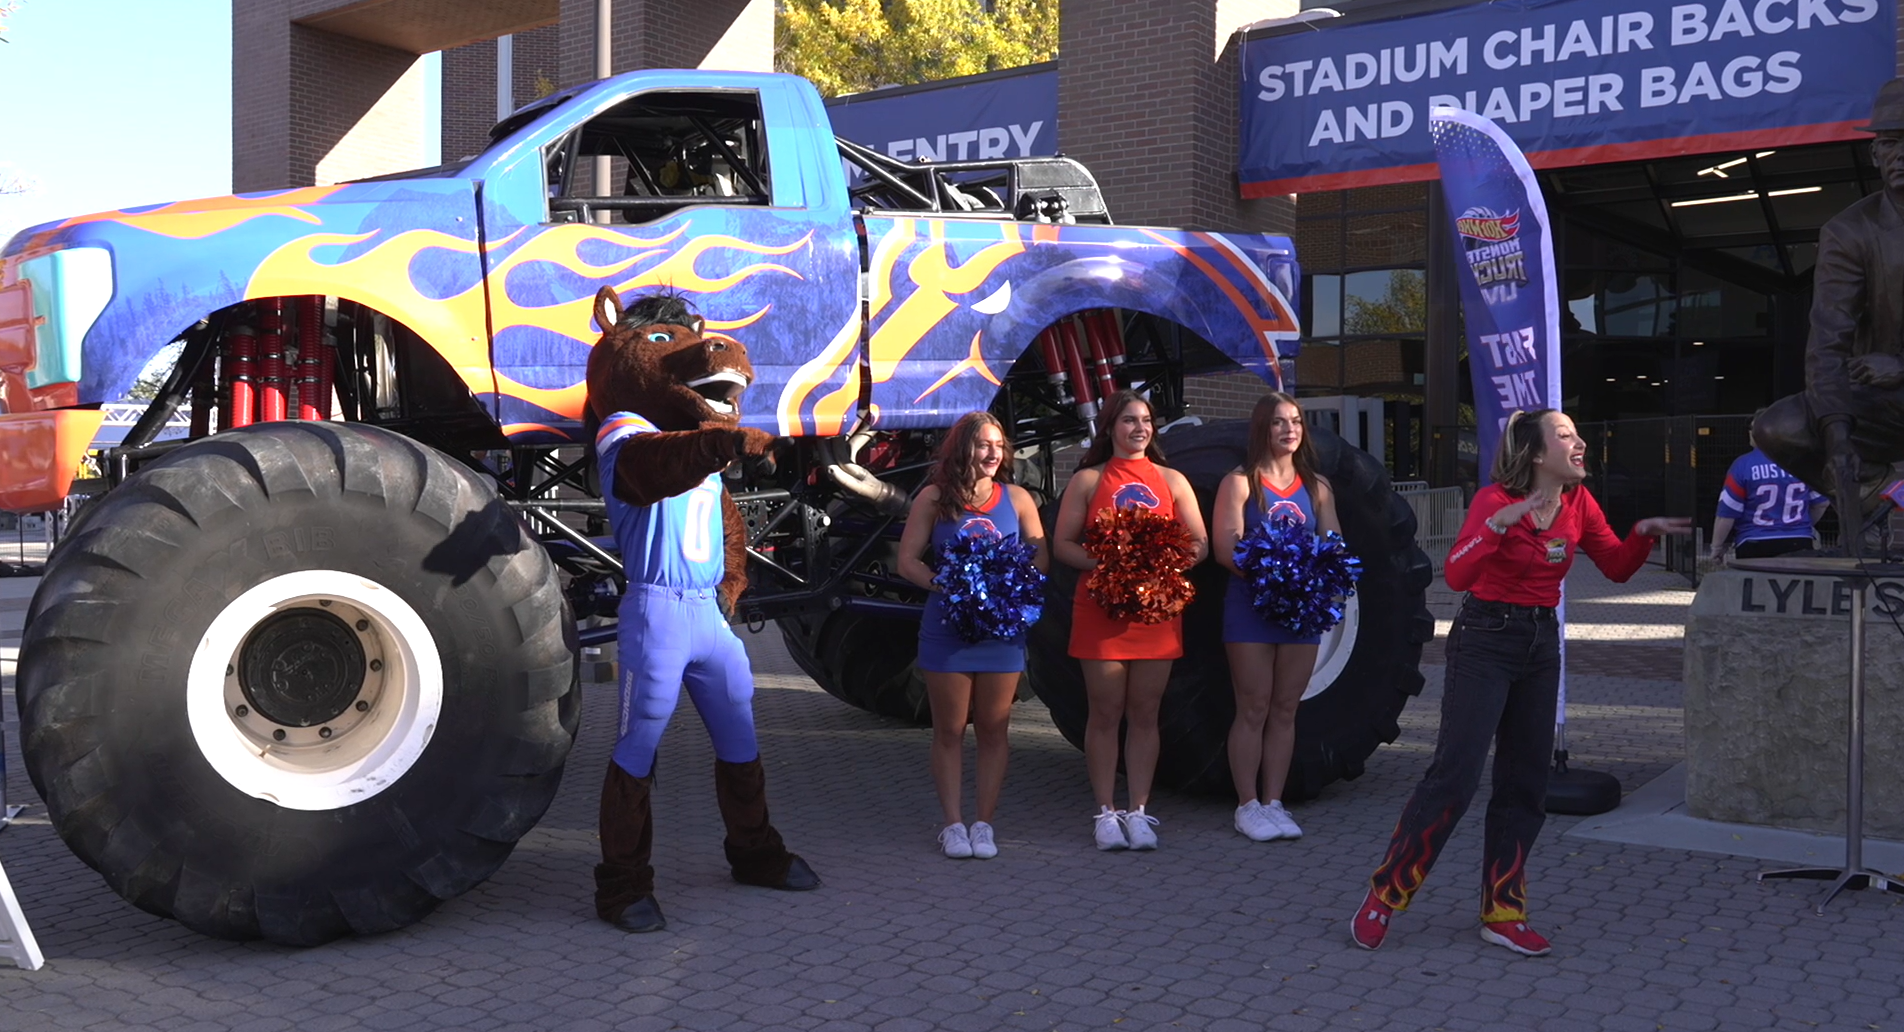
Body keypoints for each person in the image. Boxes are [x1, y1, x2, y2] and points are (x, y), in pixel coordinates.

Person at [1351, 409, 1689, 957]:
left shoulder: (1579, 502)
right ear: (1535, 454)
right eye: (1565, 435)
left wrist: (1642, 535)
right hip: (1485, 639)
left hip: (1540, 643)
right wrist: (1496, 527)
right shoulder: (1493, 500)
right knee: (1455, 777)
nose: (1580, 443)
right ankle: (1386, 895)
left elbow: (1617, 568)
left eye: (1577, 432)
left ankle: (1503, 911)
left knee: (1525, 783)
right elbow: (1457, 574)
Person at [1053, 390, 1208, 851]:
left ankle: (1139, 812)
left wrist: (1161, 567)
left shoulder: (1172, 479)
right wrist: (1112, 567)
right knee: (1104, 712)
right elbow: (1063, 544)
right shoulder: (1088, 479)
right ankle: (1105, 813)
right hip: (1101, 610)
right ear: (1110, 427)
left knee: (1145, 713)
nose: (1139, 428)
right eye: (1128, 420)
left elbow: (1199, 542)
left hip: (1154, 613)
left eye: (1145, 420)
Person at [1753, 78, 1904, 548]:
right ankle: (1881, 491)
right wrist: (1836, 438)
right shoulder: (1850, 231)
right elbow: (1828, 341)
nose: (1900, 155)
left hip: (1895, 376)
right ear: (1874, 154)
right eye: (1890, 143)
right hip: (1885, 402)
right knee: (1777, 427)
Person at [897, 412, 1049, 860]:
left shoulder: (1017, 498)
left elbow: (1041, 556)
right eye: (984, 444)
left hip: (1001, 632)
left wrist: (1008, 585)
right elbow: (907, 561)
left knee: (994, 728)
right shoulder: (934, 498)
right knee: (948, 729)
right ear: (963, 448)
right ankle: (952, 825)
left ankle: (983, 824)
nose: (993, 453)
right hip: (948, 630)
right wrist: (946, 585)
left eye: (999, 445)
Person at [1212, 393, 1341, 843]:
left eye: (1296, 421)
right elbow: (1226, 549)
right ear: (1262, 428)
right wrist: (1277, 578)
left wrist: (1309, 582)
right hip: (1251, 607)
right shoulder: (1240, 483)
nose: (1289, 430)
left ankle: (1273, 802)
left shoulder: (1317, 486)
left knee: (1286, 708)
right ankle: (1247, 805)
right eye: (1279, 422)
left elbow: (1333, 545)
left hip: (1300, 613)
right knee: (1253, 706)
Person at [1708, 430, 1826, 563]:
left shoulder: (1742, 465)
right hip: (1799, 539)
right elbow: (1821, 503)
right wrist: (1802, 524)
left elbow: (1727, 513)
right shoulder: (1803, 464)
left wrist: (1717, 547)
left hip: (1753, 541)